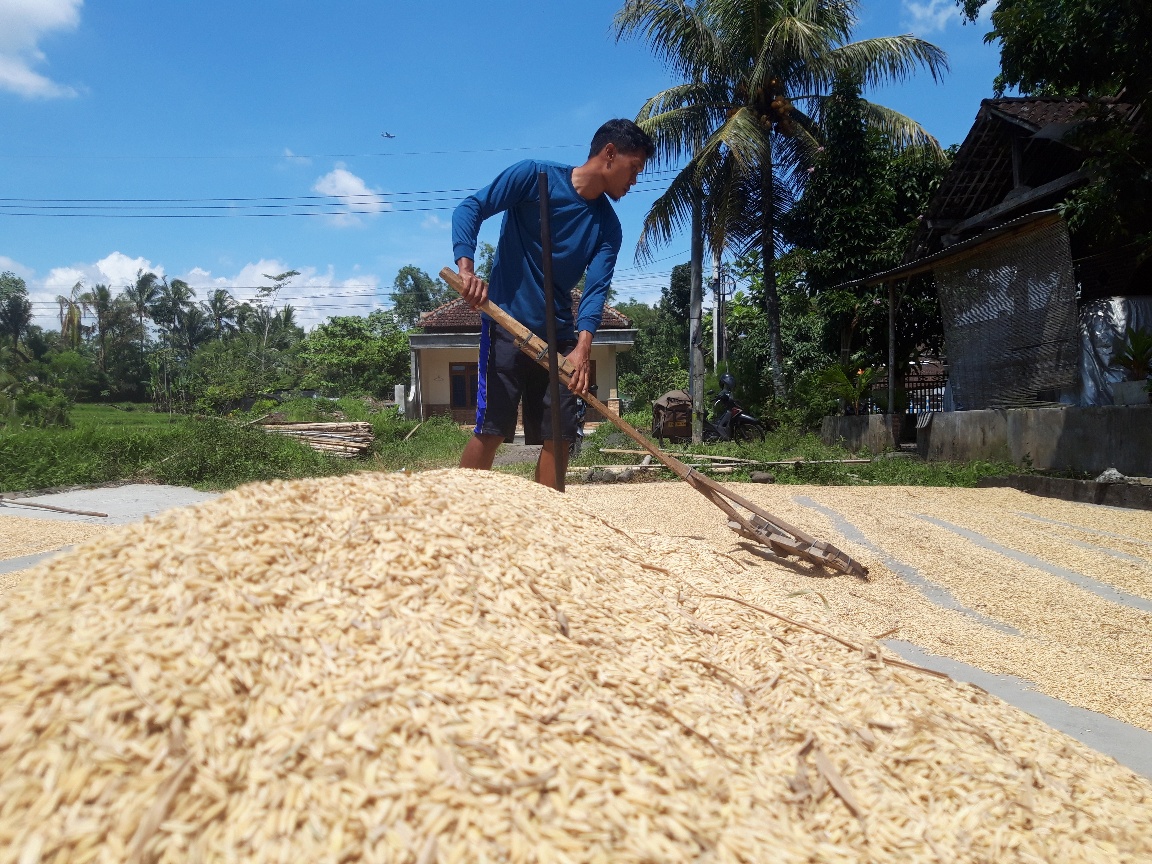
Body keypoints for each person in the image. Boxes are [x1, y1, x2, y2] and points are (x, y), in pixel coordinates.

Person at [451, 119, 654, 489]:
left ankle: (549, 529)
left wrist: (582, 348)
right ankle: (453, 517)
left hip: (557, 336)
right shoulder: (534, 177)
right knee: (493, 428)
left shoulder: (608, 227)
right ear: (610, 154)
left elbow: (595, 291)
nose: (635, 181)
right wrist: (467, 267)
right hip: (505, 325)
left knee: (560, 436)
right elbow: (471, 207)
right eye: (634, 168)